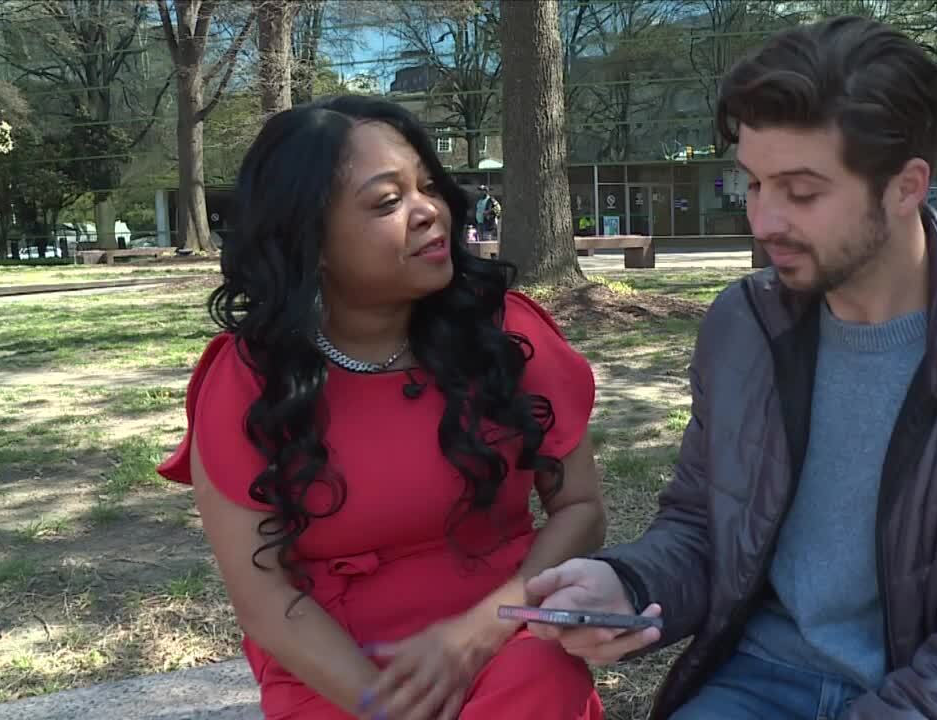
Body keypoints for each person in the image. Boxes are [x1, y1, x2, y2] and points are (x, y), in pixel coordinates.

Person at [525, 16, 937, 720]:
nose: (763, 221)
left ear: (906, 187)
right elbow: (704, 527)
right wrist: (627, 583)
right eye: (753, 184)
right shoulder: (743, 326)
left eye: (802, 192)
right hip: (757, 678)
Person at [156, 95, 607, 720]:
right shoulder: (250, 380)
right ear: (311, 239)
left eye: (429, 187)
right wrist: (389, 708)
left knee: (541, 678)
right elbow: (262, 597)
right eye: (388, 201)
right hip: (340, 669)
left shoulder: (506, 334)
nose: (428, 212)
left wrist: (480, 632)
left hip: (507, 635)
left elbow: (580, 508)